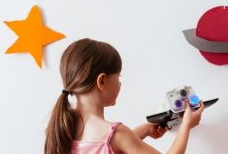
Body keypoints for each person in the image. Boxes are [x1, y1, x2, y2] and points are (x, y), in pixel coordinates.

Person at [44, 38, 205, 154]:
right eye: (118, 77)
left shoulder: (62, 129)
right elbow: (113, 142)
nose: (120, 84)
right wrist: (186, 125)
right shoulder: (117, 134)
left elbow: (105, 147)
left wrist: (144, 130)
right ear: (102, 81)